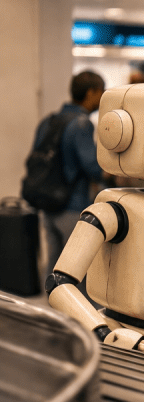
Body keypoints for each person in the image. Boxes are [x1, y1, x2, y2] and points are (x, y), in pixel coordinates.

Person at [30, 70, 106, 273]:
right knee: (76, 271)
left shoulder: (49, 120)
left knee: (54, 264)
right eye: (101, 92)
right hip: (72, 205)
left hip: (48, 203)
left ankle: (48, 305)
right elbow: (93, 167)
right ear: (91, 92)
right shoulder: (81, 123)